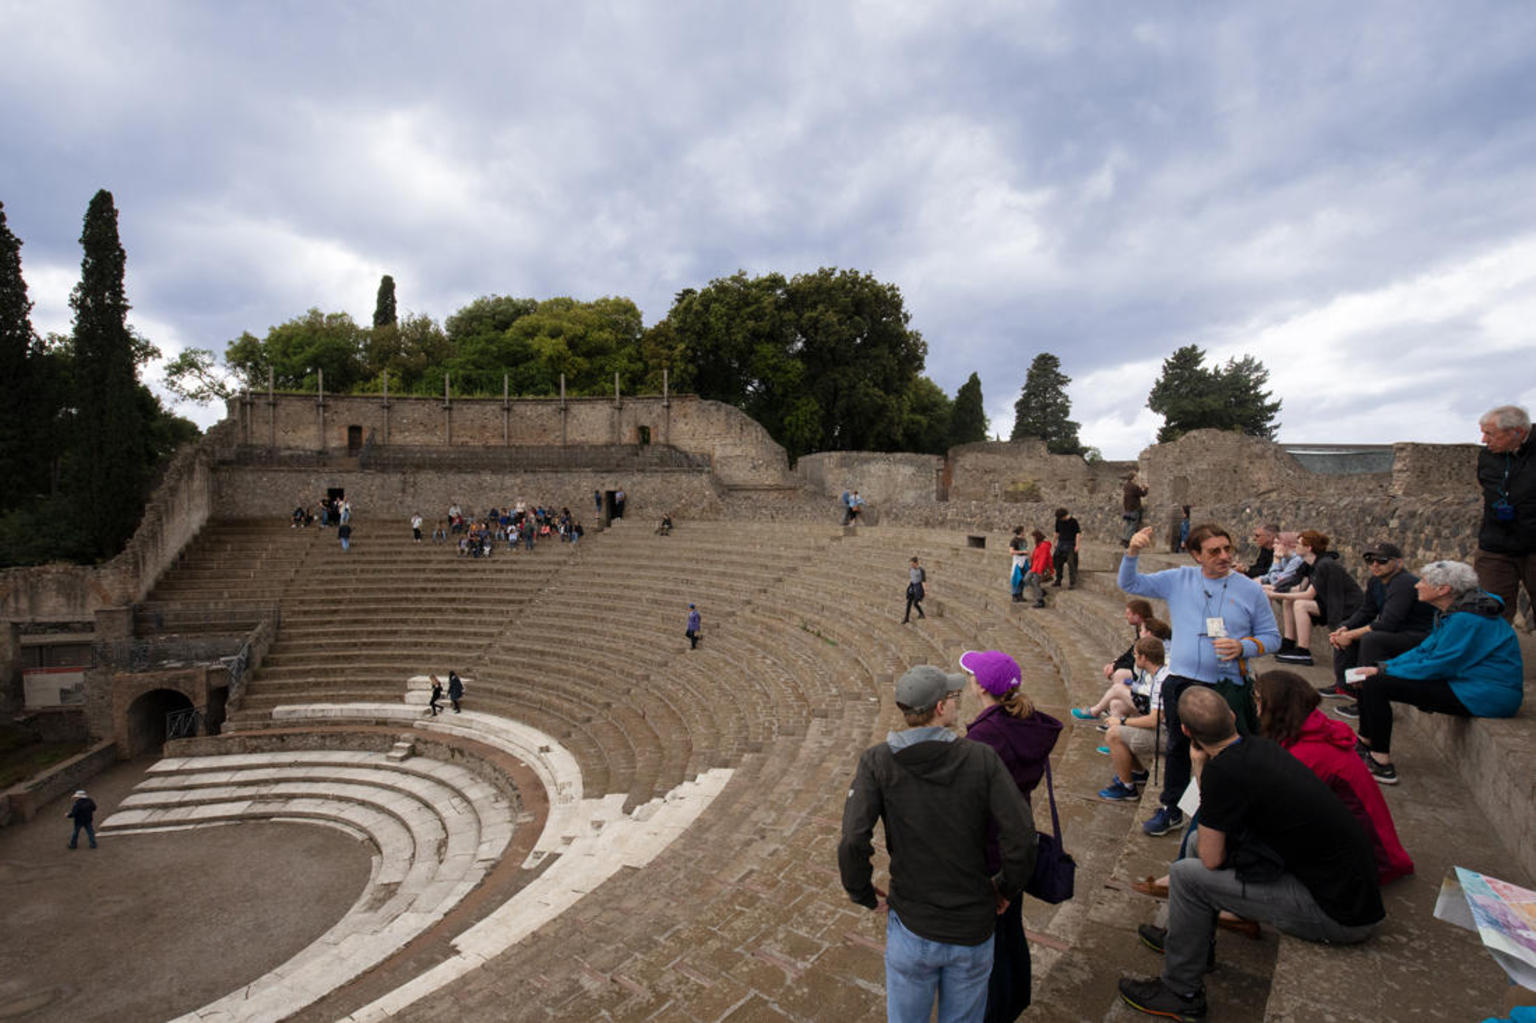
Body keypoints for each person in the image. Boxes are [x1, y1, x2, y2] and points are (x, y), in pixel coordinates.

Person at [1118, 688, 1383, 1021]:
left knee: (1187, 876)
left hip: (1339, 912)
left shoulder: (1224, 772)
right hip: (1341, 883)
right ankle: (1188, 942)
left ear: (1186, 732)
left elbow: (1212, 860)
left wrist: (1200, 766)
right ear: (1232, 717)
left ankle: (1181, 992)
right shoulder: (1260, 747)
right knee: (1197, 840)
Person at [839, 666, 1037, 1023]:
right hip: (972, 926)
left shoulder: (877, 761)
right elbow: (1022, 836)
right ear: (941, 707)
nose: (958, 703)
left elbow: (853, 839)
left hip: (912, 925)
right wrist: (1005, 888)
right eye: (954, 698)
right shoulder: (980, 758)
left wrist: (863, 893)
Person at [1118, 523, 1281, 837]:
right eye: (1214, 551)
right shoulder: (1179, 579)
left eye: (1227, 549)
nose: (1224, 556)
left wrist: (1243, 646)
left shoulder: (1249, 588)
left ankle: (1233, 812)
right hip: (1180, 681)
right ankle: (1172, 808)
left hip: (1225, 684)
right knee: (1179, 747)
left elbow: (1272, 638)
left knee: (1229, 751)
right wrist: (1133, 551)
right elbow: (1130, 582)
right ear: (1196, 555)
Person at [1352, 560, 1524, 785]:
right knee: (1372, 676)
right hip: (1468, 684)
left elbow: (1440, 663)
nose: (1417, 586)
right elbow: (1426, 649)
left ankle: (1380, 762)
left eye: (1423, 582)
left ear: (1444, 590)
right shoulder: (1457, 611)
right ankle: (1365, 742)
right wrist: (1381, 667)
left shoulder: (1467, 619)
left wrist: (1382, 671)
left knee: (1377, 683)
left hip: (1486, 695)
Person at [960, 649, 1062, 1021]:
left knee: (992, 939)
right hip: (1016, 839)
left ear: (981, 686)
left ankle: (995, 1012)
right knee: (1009, 929)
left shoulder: (986, 738)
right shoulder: (1026, 723)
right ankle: (1014, 999)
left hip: (991, 850)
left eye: (972, 674)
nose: (969, 679)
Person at [1252, 670, 1413, 883]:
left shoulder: (1309, 756)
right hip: (1365, 848)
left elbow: (1279, 814)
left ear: (1275, 708)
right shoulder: (1312, 727)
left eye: (1258, 701)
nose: (1256, 710)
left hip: (1372, 862)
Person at [1329, 541, 1436, 715]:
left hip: (1420, 636)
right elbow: (1367, 610)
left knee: (1371, 640)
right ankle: (1348, 687)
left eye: (1382, 560)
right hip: (1398, 633)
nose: (1375, 564)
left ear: (1399, 563)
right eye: (1370, 560)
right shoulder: (1375, 582)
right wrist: (1346, 628)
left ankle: (1367, 701)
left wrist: (1351, 634)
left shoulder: (1404, 582)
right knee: (1344, 630)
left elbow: (1388, 622)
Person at [1475, 405, 1534, 625]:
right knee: (1488, 610)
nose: (1483, 439)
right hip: (1496, 543)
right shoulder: (1488, 456)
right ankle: (1493, 658)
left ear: (1516, 432)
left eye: (1490, 434)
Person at [1273, 530, 1363, 669]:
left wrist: (1276, 595)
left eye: (1299, 543)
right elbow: (1299, 588)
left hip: (1345, 607)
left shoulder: (1324, 564)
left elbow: (1308, 595)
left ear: (1309, 548)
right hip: (1328, 603)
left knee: (1301, 604)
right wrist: (1273, 590)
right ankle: (1288, 642)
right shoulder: (1310, 564)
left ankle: (1303, 651)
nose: (1295, 546)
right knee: (1289, 600)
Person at [1097, 636, 1168, 802]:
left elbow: (1154, 720)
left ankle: (1127, 787)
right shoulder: (1160, 674)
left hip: (1167, 734)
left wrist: (1122, 721)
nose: (1133, 658)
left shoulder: (1160, 681)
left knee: (1113, 734)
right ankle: (1137, 773)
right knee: (1121, 726)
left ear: (1144, 658)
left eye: (1135, 655)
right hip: (1165, 728)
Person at [1022, 530, 1052, 609]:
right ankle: (1041, 592)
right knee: (1026, 579)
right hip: (1034, 567)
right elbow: (1035, 557)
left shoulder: (1044, 546)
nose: (1033, 539)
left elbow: (1043, 559)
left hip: (1039, 569)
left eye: (1034, 537)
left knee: (1035, 582)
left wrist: (1039, 571)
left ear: (1037, 537)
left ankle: (1040, 601)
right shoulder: (1038, 545)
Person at [1052, 508, 1081, 589]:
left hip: (1071, 544)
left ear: (1064, 516)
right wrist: (1054, 542)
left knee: (1071, 563)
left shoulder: (1073, 521)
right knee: (1057, 561)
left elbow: (1078, 534)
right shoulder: (1058, 520)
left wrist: (1077, 545)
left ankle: (1072, 583)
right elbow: (1057, 532)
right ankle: (1058, 580)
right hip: (1061, 543)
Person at [1122, 473, 1149, 547]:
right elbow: (1142, 494)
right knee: (1133, 526)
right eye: (1136, 478)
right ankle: (1127, 540)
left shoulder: (1126, 486)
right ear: (1133, 478)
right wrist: (1146, 488)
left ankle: (1124, 538)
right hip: (1134, 509)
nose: (1137, 479)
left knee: (1128, 524)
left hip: (1127, 509)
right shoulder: (1134, 487)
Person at [903, 557, 927, 623]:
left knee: (916, 603)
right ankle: (906, 618)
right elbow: (912, 578)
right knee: (909, 603)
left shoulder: (921, 570)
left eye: (912, 564)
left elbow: (923, 581)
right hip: (912, 586)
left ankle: (921, 613)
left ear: (916, 563)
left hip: (919, 586)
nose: (911, 565)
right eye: (911, 564)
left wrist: (925, 590)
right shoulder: (911, 569)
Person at [1008, 527, 1028, 603]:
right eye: (1023, 531)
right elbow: (1011, 551)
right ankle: (1014, 595)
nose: (1024, 532)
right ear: (1020, 532)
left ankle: (1020, 594)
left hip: (1024, 560)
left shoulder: (1024, 540)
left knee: (1023, 578)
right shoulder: (1014, 541)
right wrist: (1022, 552)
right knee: (1016, 578)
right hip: (1017, 561)